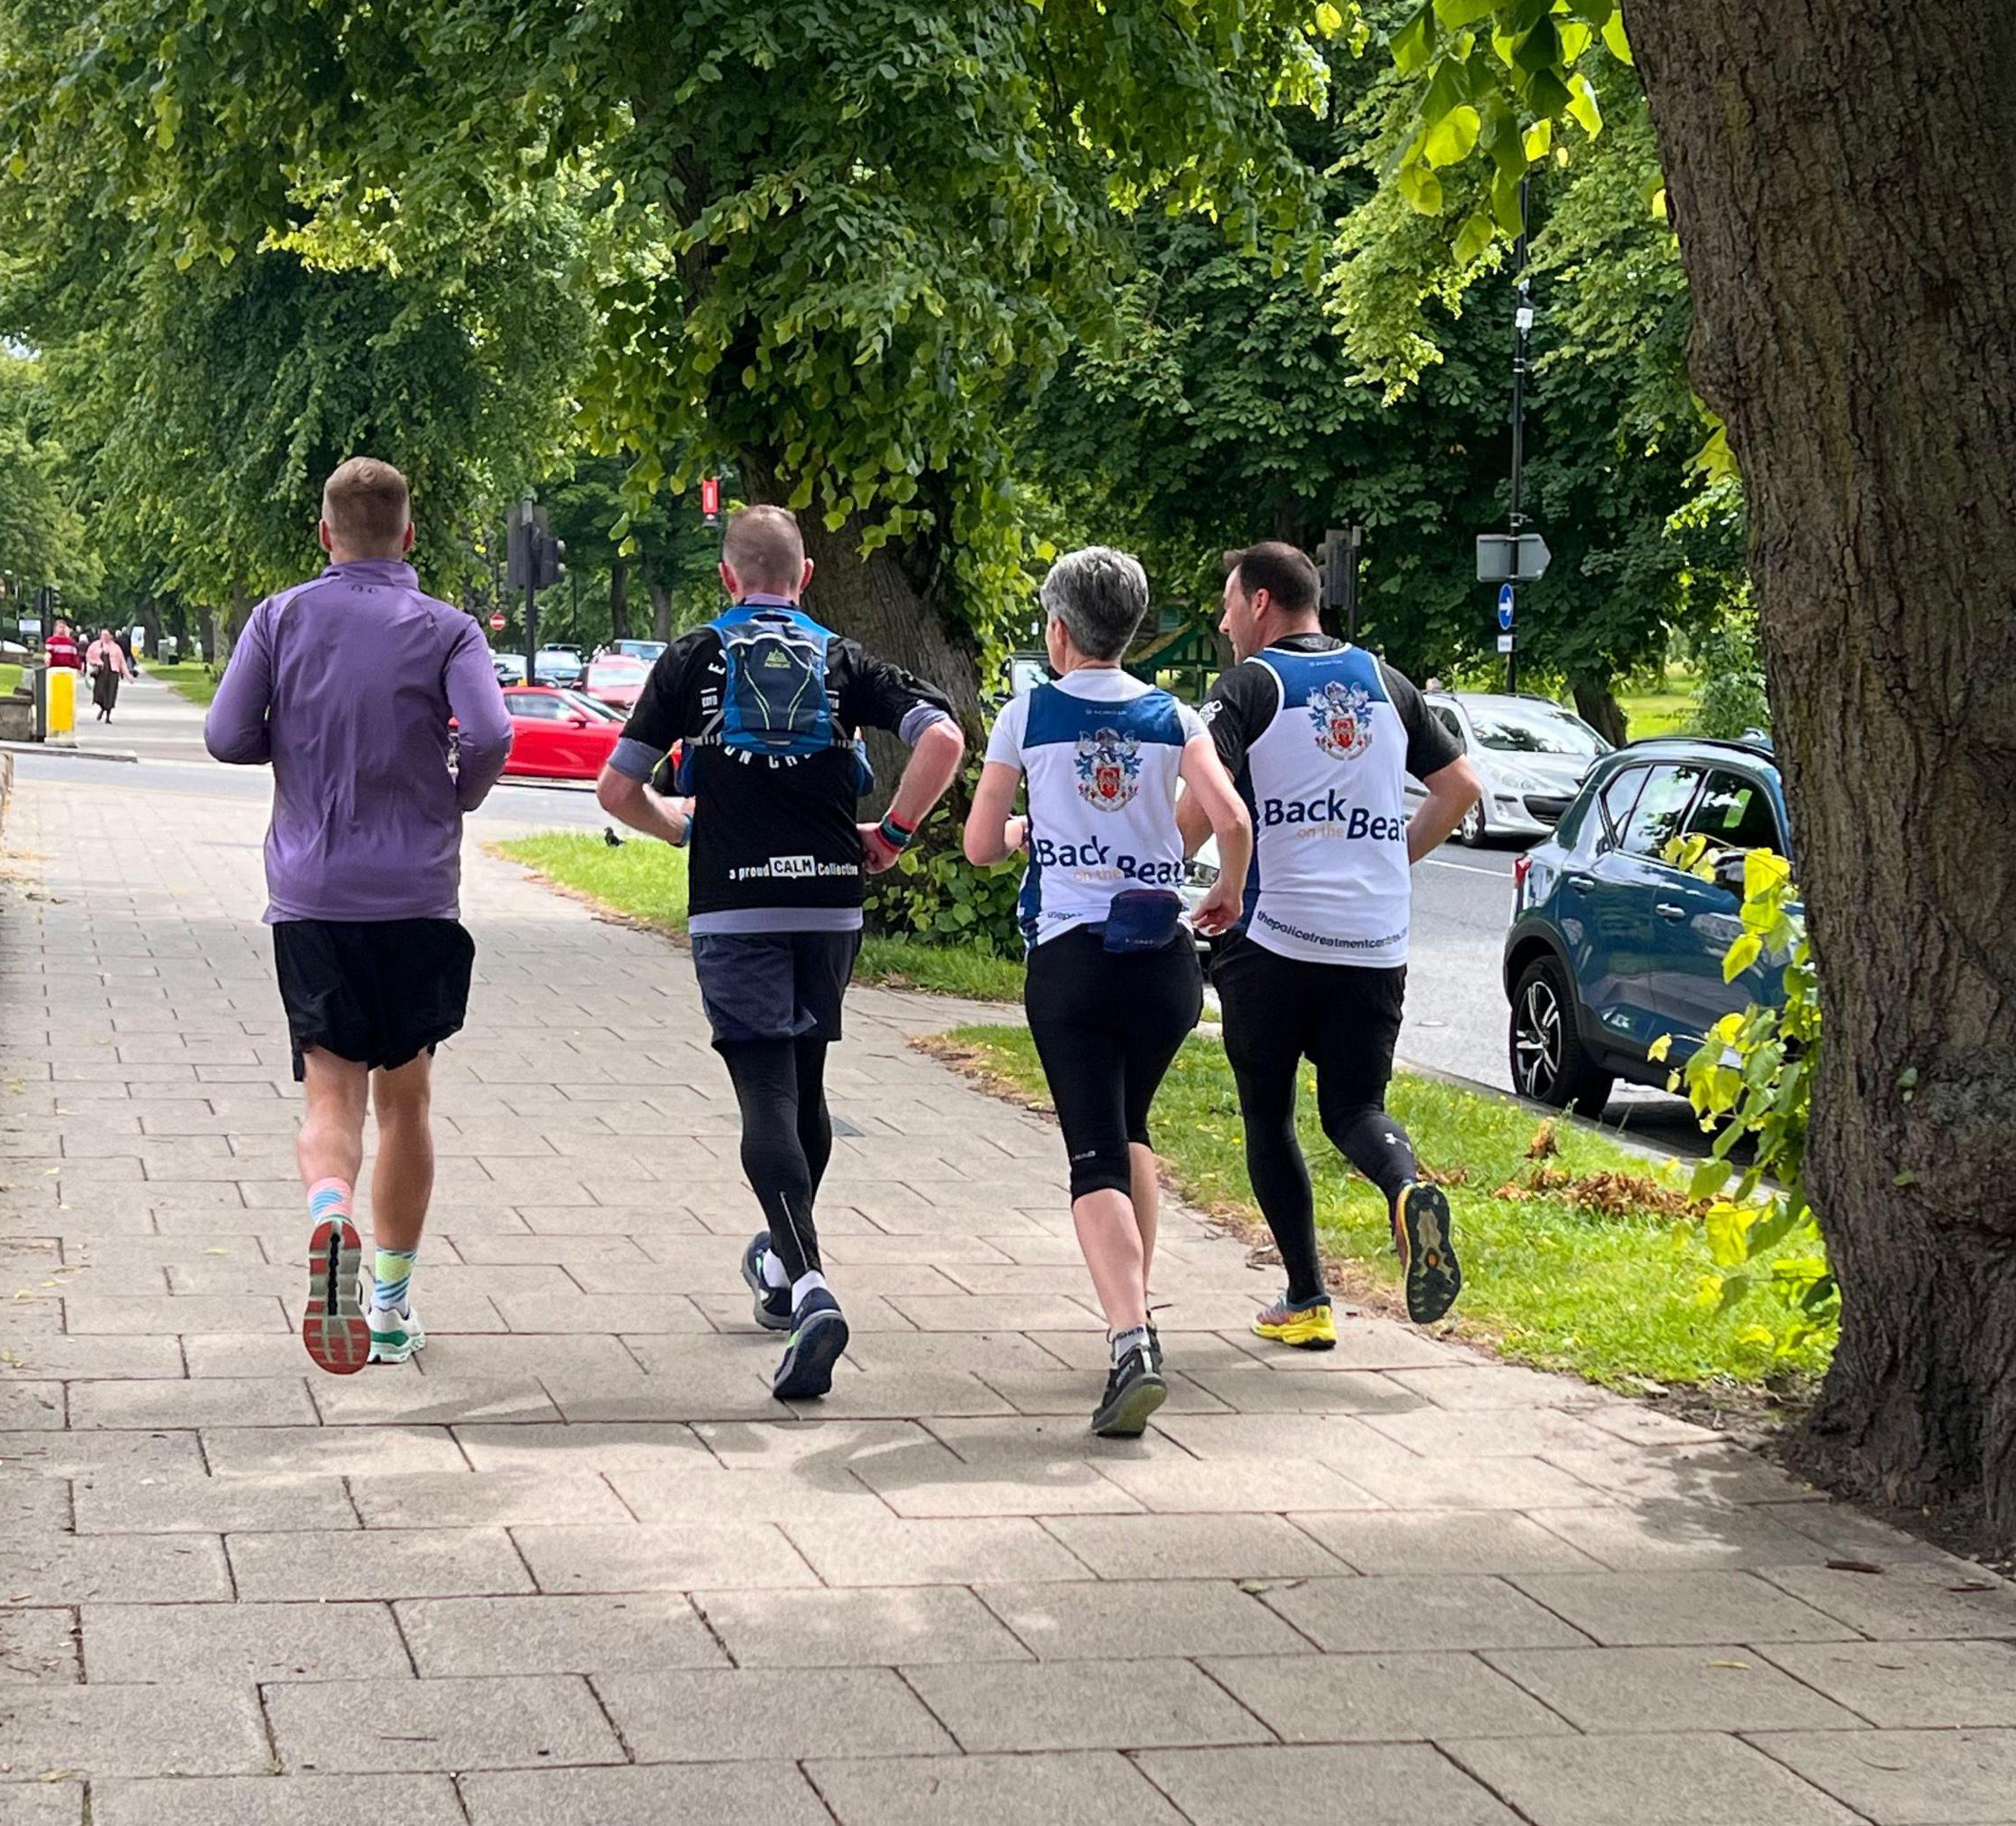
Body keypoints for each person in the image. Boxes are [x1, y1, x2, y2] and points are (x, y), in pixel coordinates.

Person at [596, 505, 966, 1402]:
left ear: (728, 578)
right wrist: (895, 835)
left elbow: (618, 786)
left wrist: (678, 825)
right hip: (829, 904)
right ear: (803, 578)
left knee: (763, 1092)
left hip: (736, 903)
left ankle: (809, 1286)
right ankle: (784, 1259)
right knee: (806, 1086)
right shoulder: (843, 656)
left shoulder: (691, 656)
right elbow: (945, 736)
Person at [204, 458, 512, 1374]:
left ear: (324, 531)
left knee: (328, 1091)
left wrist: (283, 742)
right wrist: (460, 792)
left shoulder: (280, 616)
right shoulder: (450, 631)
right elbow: (493, 733)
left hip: (312, 895)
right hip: (416, 893)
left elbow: (226, 734)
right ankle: (386, 1304)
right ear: (409, 534)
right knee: (406, 1097)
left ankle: (327, 1213)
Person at [963, 548, 1251, 1436]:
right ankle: (1137, 1310)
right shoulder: (1174, 713)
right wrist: (1225, 889)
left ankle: (1131, 1339)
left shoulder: (1029, 713)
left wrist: (1018, 832)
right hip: (1163, 962)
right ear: (1131, 629)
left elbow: (977, 844)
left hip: (1073, 961)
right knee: (1132, 1129)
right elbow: (1231, 819)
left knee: (1092, 1153)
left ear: (1058, 630)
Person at [1188, 541, 1485, 1347]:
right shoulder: (1388, 684)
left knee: (1269, 1114)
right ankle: (1405, 1187)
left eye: (1227, 604)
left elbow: (1195, 807)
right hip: (1374, 939)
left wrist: (1162, 873)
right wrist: (1390, 855)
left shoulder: (1250, 685)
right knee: (1355, 1107)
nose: (1222, 622)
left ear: (1259, 602)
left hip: (1275, 938)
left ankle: (1307, 1297)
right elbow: (1459, 789)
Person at [85, 625, 132, 723]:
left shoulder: (116, 648)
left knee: (110, 694)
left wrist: (127, 675)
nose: (104, 637)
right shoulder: (95, 645)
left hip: (112, 673)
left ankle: (108, 716)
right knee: (99, 693)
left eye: (106, 635)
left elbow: (122, 662)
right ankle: (102, 707)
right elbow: (88, 656)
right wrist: (96, 662)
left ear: (111, 636)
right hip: (100, 673)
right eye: (103, 635)